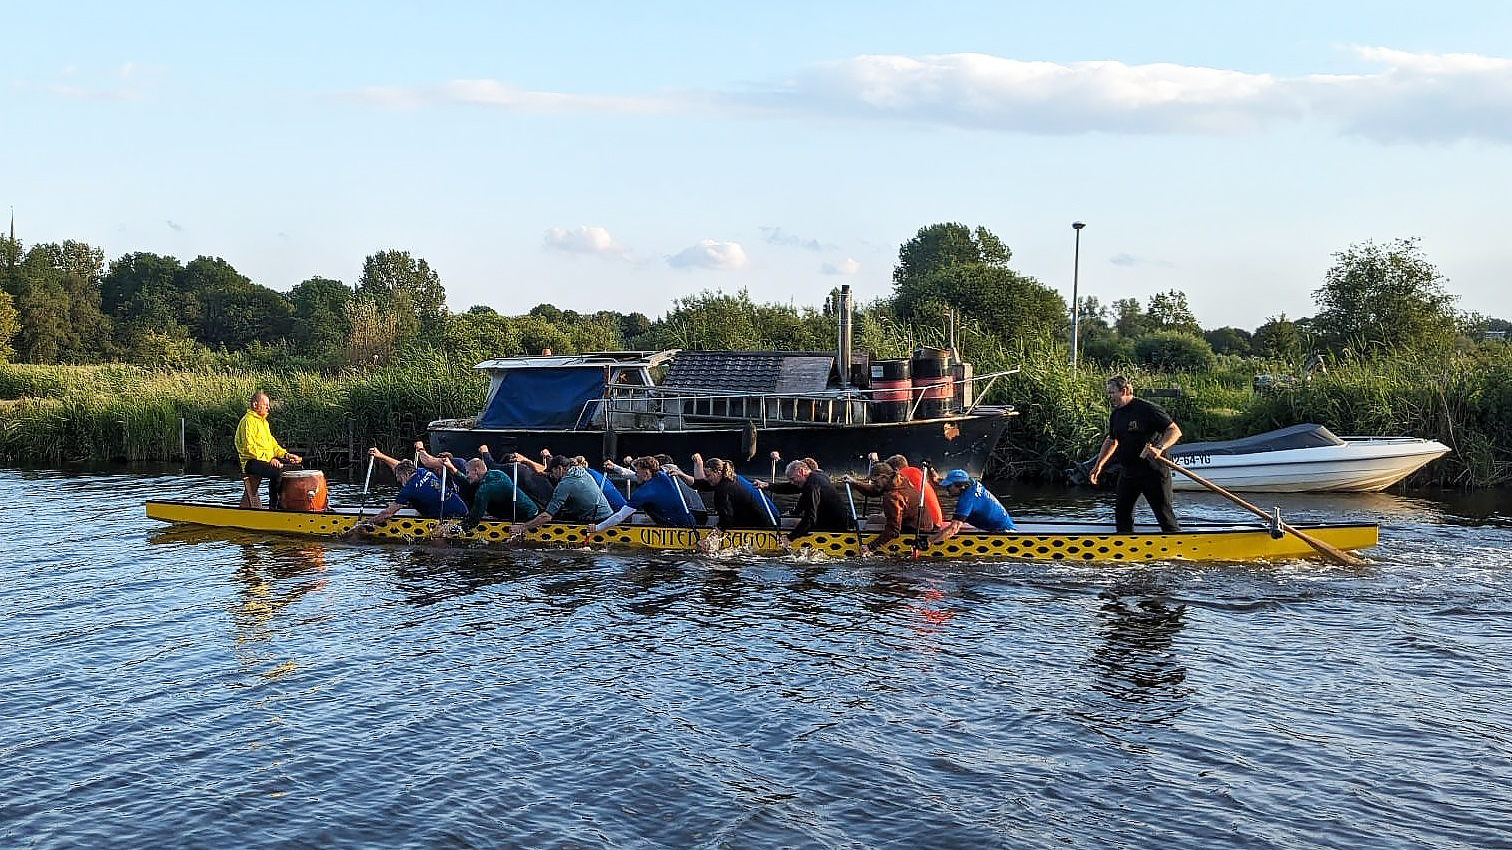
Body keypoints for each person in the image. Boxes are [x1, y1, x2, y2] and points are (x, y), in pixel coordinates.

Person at [1088, 375, 1183, 533]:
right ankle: (1125, 548)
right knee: (1122, 514)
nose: (1109, 397)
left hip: (1153, 472)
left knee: (1164, 515)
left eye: (1112, 393)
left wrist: (1159, 447)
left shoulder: (1147, 409)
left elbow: (1174, 431)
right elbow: (1112, 440)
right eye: (1108, 393)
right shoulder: (1116, 414)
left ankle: (1178, 547)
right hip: (1128, 473)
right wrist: (1098, 466)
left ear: (1124, 390)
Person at [361, 447, 468, 526]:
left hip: (454, 517)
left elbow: (387, 514)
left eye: (400, 479)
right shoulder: (421, 471)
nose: (400, 483)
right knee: (419, 509)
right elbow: (399, 465)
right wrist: (381, 456)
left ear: (406, 475)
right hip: (462, 509)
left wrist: (367, 523)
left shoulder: (408, 489)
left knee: (436, 542)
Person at [512, 454, 615, 535]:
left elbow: (547, 516)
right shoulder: (581, 471)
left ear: (560, 468)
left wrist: (522, 528)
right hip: (609, 518)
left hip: (596, 523)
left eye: (552, 472)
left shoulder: (565, 484)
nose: (551, 476)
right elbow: (546, 472)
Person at [755, 459, 850, 545]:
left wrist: (789, 538)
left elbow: (810, 519)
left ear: (801, 471)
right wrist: (767, 485)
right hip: (838, 521)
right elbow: (790, 487)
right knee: (792, 521)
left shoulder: (811, 486)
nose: (791, 482)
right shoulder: (817, 476)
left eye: (792, 479)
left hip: (833, 529)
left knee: (790, 522)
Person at [592, 456, 698, 532]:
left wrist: (597, 528)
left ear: (646, 472)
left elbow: (620, 516)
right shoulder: (661, 474)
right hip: (690, 522)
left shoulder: (643, 493)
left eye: (638, 471)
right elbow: (632, 475)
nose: (636, 473)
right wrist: (614, 467)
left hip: (677, 529)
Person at [234, 391, 302, 509]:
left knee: (296, 469)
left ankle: (290, 503)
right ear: (255, 405)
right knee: (277, 473)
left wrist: (287, 455)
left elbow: (273, 446)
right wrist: (269, 459)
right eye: (265, 404)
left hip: (263, 460)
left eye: (268, 405)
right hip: (251, 462)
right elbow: (250, 448)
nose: (268, 407)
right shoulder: (248, 421)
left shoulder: (264, 422)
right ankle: (274, 507)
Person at [843, 461, 922, 556]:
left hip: (915, 530)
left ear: (884, 476)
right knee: (872, 518)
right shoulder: (898, 480)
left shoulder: (893, 496)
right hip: (915, 522)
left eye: (875, 481)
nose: (873, 483)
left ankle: (862, 546)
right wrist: (854, 482)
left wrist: (870, 547)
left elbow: (893, 531)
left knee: (869, 527)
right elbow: (874, 490)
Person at [688, 455, 778, 530]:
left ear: (718, 472)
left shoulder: (723, 489)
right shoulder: (733, 478)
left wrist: (709, 539)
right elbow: (701, 485)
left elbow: (726, 521)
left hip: (763, 525)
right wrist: (680, 473)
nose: (707, 479)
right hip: (774, 519)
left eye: (708, 475)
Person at [928, 469, 1016, 544]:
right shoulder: (971, 482)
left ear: (960, 486)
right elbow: (939, 481)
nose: (947, 488)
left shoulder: (967, 499)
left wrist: (928, 541)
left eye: (949, 486)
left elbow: (954, 529)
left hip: (1003, 533)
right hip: (999, 524)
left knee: (952, 527)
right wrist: (930, 469)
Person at [457, 457, 539, 531]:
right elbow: (469, 483)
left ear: (476, 470)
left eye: (467, 472)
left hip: (527, 519)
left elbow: (473, 521)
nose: (467, 476)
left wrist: (454, 529)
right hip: (532, 511)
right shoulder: (496, 473)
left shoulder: (484, 489)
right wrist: (453, 469)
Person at [885, 453, 944, 531]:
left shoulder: (899, 476)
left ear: (895, 469)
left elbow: (877, 490)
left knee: (875, 518)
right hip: (936, 521)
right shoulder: (917, 472)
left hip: (925, 525)